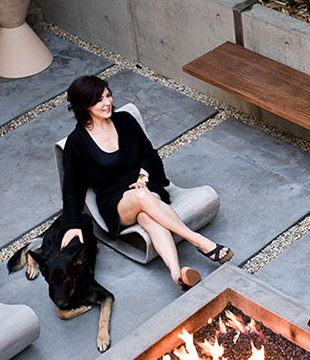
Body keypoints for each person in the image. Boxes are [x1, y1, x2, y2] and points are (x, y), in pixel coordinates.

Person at [60, 75, 233, 291]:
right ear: (84, 106)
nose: (107, 103)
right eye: (99, 100)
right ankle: (198, 241)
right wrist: (72, 224)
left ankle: (177, 275)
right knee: (142, 199)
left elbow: (149, 156)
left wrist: (143, 179)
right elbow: (72, 186)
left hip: (144, 185)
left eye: (108, 95)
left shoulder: (124, 121)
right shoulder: (76, 143)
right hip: (115, 201)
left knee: (147, 217)